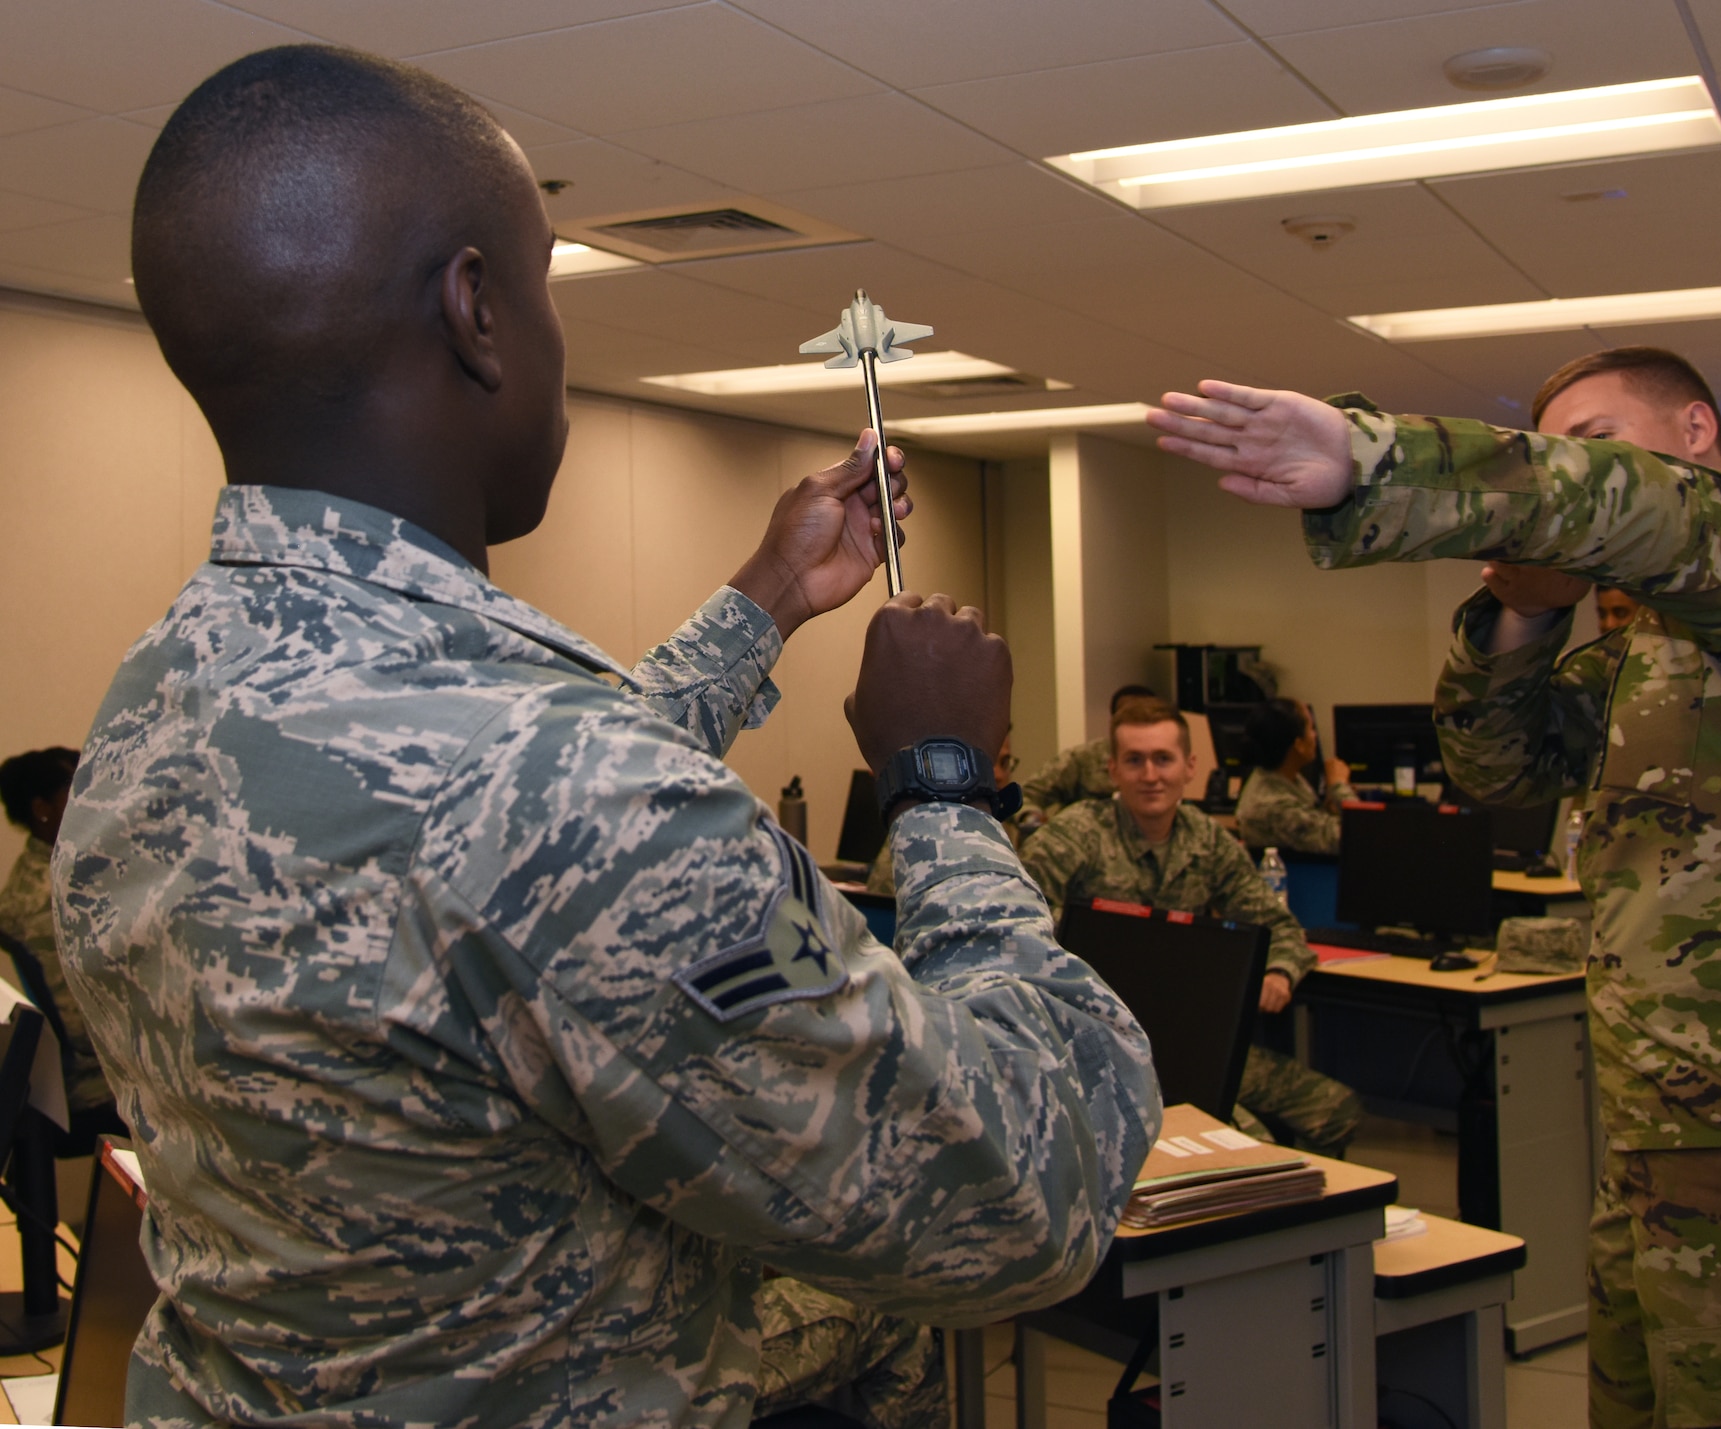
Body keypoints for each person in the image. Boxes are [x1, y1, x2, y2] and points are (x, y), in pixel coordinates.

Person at [53, 46, 1159, 1429]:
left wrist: (761, 606)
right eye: (543, 287)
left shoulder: (162, 694)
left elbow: (485, 834)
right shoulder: (561, 796)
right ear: (476, 311)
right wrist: (944, 788)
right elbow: (1023, 1192)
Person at [1147, 348, 1721, 1429]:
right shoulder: (1639, 650)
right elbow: (1502, 768)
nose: (1566, 483)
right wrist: (1526, 615)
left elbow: (1652, 515)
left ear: (1691, 433)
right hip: (1663, 1128)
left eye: (1591, 446)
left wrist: (1373, 459)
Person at [1023, 698, 1362, 1160]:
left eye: (1164, 759)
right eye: (1135, 761)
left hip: (1194, 1043)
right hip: (1101, 1050)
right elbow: (1019, 925)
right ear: (1112, 770)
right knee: (1250, 1146)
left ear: (1190, 767)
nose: (1150, 775)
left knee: (1336, 1110)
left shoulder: (1208, 841)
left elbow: (1276, 923)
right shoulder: (1075, 835)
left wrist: (1280, 971)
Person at [0, 747, 128, 1156]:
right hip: (92, 1087)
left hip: (57, 1083)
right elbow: (86, 1030)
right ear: (41, 810)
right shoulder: (55, 898)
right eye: (79, 793)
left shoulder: (30, 884)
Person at [866, 729, 1015, 894]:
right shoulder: (916, 848)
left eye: (1005, 762)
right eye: (985, 762)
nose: (1000, 775)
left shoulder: (999, 831)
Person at [1016, 683, 1156, 829]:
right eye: (1128, 718)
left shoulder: (1168, 764)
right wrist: (1034, 822)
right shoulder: (1084, 758)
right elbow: (1025, 794)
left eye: (1146, 719)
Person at [1233, 698, 1355, 856]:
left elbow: (1312, 824)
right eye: (1311, 728)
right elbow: (1360, 837)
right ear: (1299, 745)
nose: (1315, 735)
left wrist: (1329, 809)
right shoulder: (1274, 805)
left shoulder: (1284, 779)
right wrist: (1339, 786)